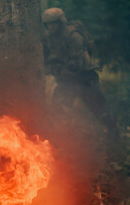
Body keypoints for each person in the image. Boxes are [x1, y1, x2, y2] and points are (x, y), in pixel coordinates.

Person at [42, 8, 118, 137]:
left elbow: (78, 62)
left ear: (61, 22)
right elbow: (45, 59)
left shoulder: (73, 35)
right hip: (67, 82)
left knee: (101, 111)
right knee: (57, 109)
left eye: (54, 23)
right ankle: (63, 139)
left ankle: (115, 134)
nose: (51, 27)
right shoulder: (49, 38)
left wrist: (60, 70)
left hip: (84, 80)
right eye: (48, 24)